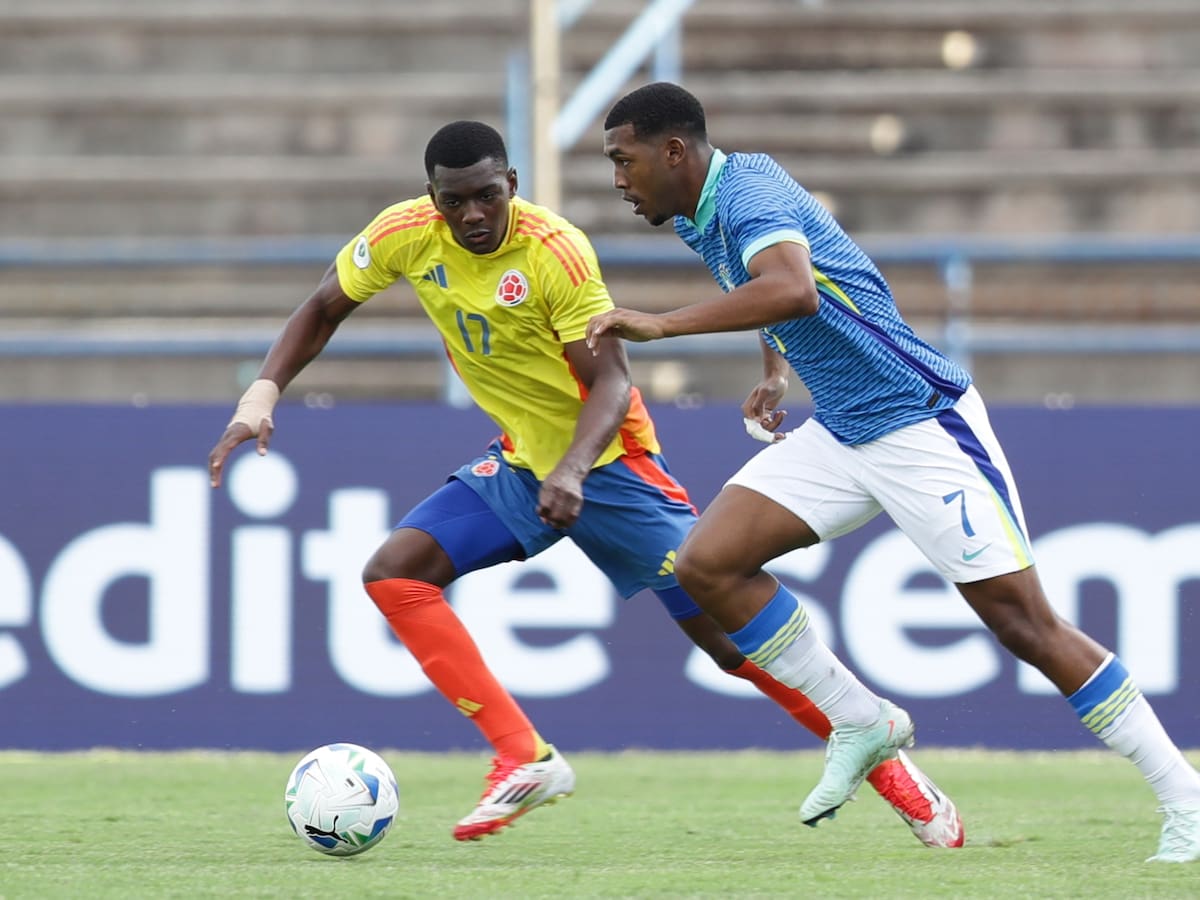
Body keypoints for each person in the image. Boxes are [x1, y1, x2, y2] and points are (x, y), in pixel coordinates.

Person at [207, 120, 962, 846]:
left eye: (486, 196)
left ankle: (901, 781)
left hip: (611, 466)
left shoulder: (555, 253)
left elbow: (610, 384)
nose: (471, 215)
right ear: (430, 196)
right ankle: (524, 758)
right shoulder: (405, 233)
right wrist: (263, 393)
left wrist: (572, 469)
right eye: (453, 201)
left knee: (730, 646)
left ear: (511, 183)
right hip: (523, 463)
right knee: (395, 573)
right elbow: (323, 306)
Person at [587, 81, 1200, 862]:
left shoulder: (744, 192)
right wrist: (776, 373)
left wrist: (662, 323)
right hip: (843, 427)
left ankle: (1185, 797)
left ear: (672, 151)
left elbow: (793, 288)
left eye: (622, 158)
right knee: (708, 564)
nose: (617, 178)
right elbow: (775, 292)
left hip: (919, 424)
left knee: (1027, 625)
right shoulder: (707, 208)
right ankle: (860, 718)